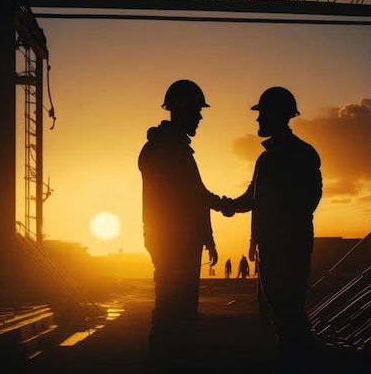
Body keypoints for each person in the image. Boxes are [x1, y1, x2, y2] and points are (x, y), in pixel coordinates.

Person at [221, 86, 323, 370]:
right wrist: (225, 204)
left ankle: (299, 361)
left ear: (280, 115)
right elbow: (252, 198)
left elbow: (310, 198)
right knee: (277, 313)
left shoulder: (300, 154)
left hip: (287, 248)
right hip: (272, 246)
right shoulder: (265, 160)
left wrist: (283, 231)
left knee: (287, 311)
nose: (258, 120)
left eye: (262, 113)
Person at [138, 79, 223, 361]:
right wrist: (224, 205)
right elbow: (194, 195)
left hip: (176, 241)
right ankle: (167, 362)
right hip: (173, 242)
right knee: (173, 311)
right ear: (180, 109)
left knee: (177, 309)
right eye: (196, 110)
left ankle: (171, 359)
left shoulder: (169, 148)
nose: (199, 116)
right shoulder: (166, 150)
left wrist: (206, 237)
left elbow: (193, 197)